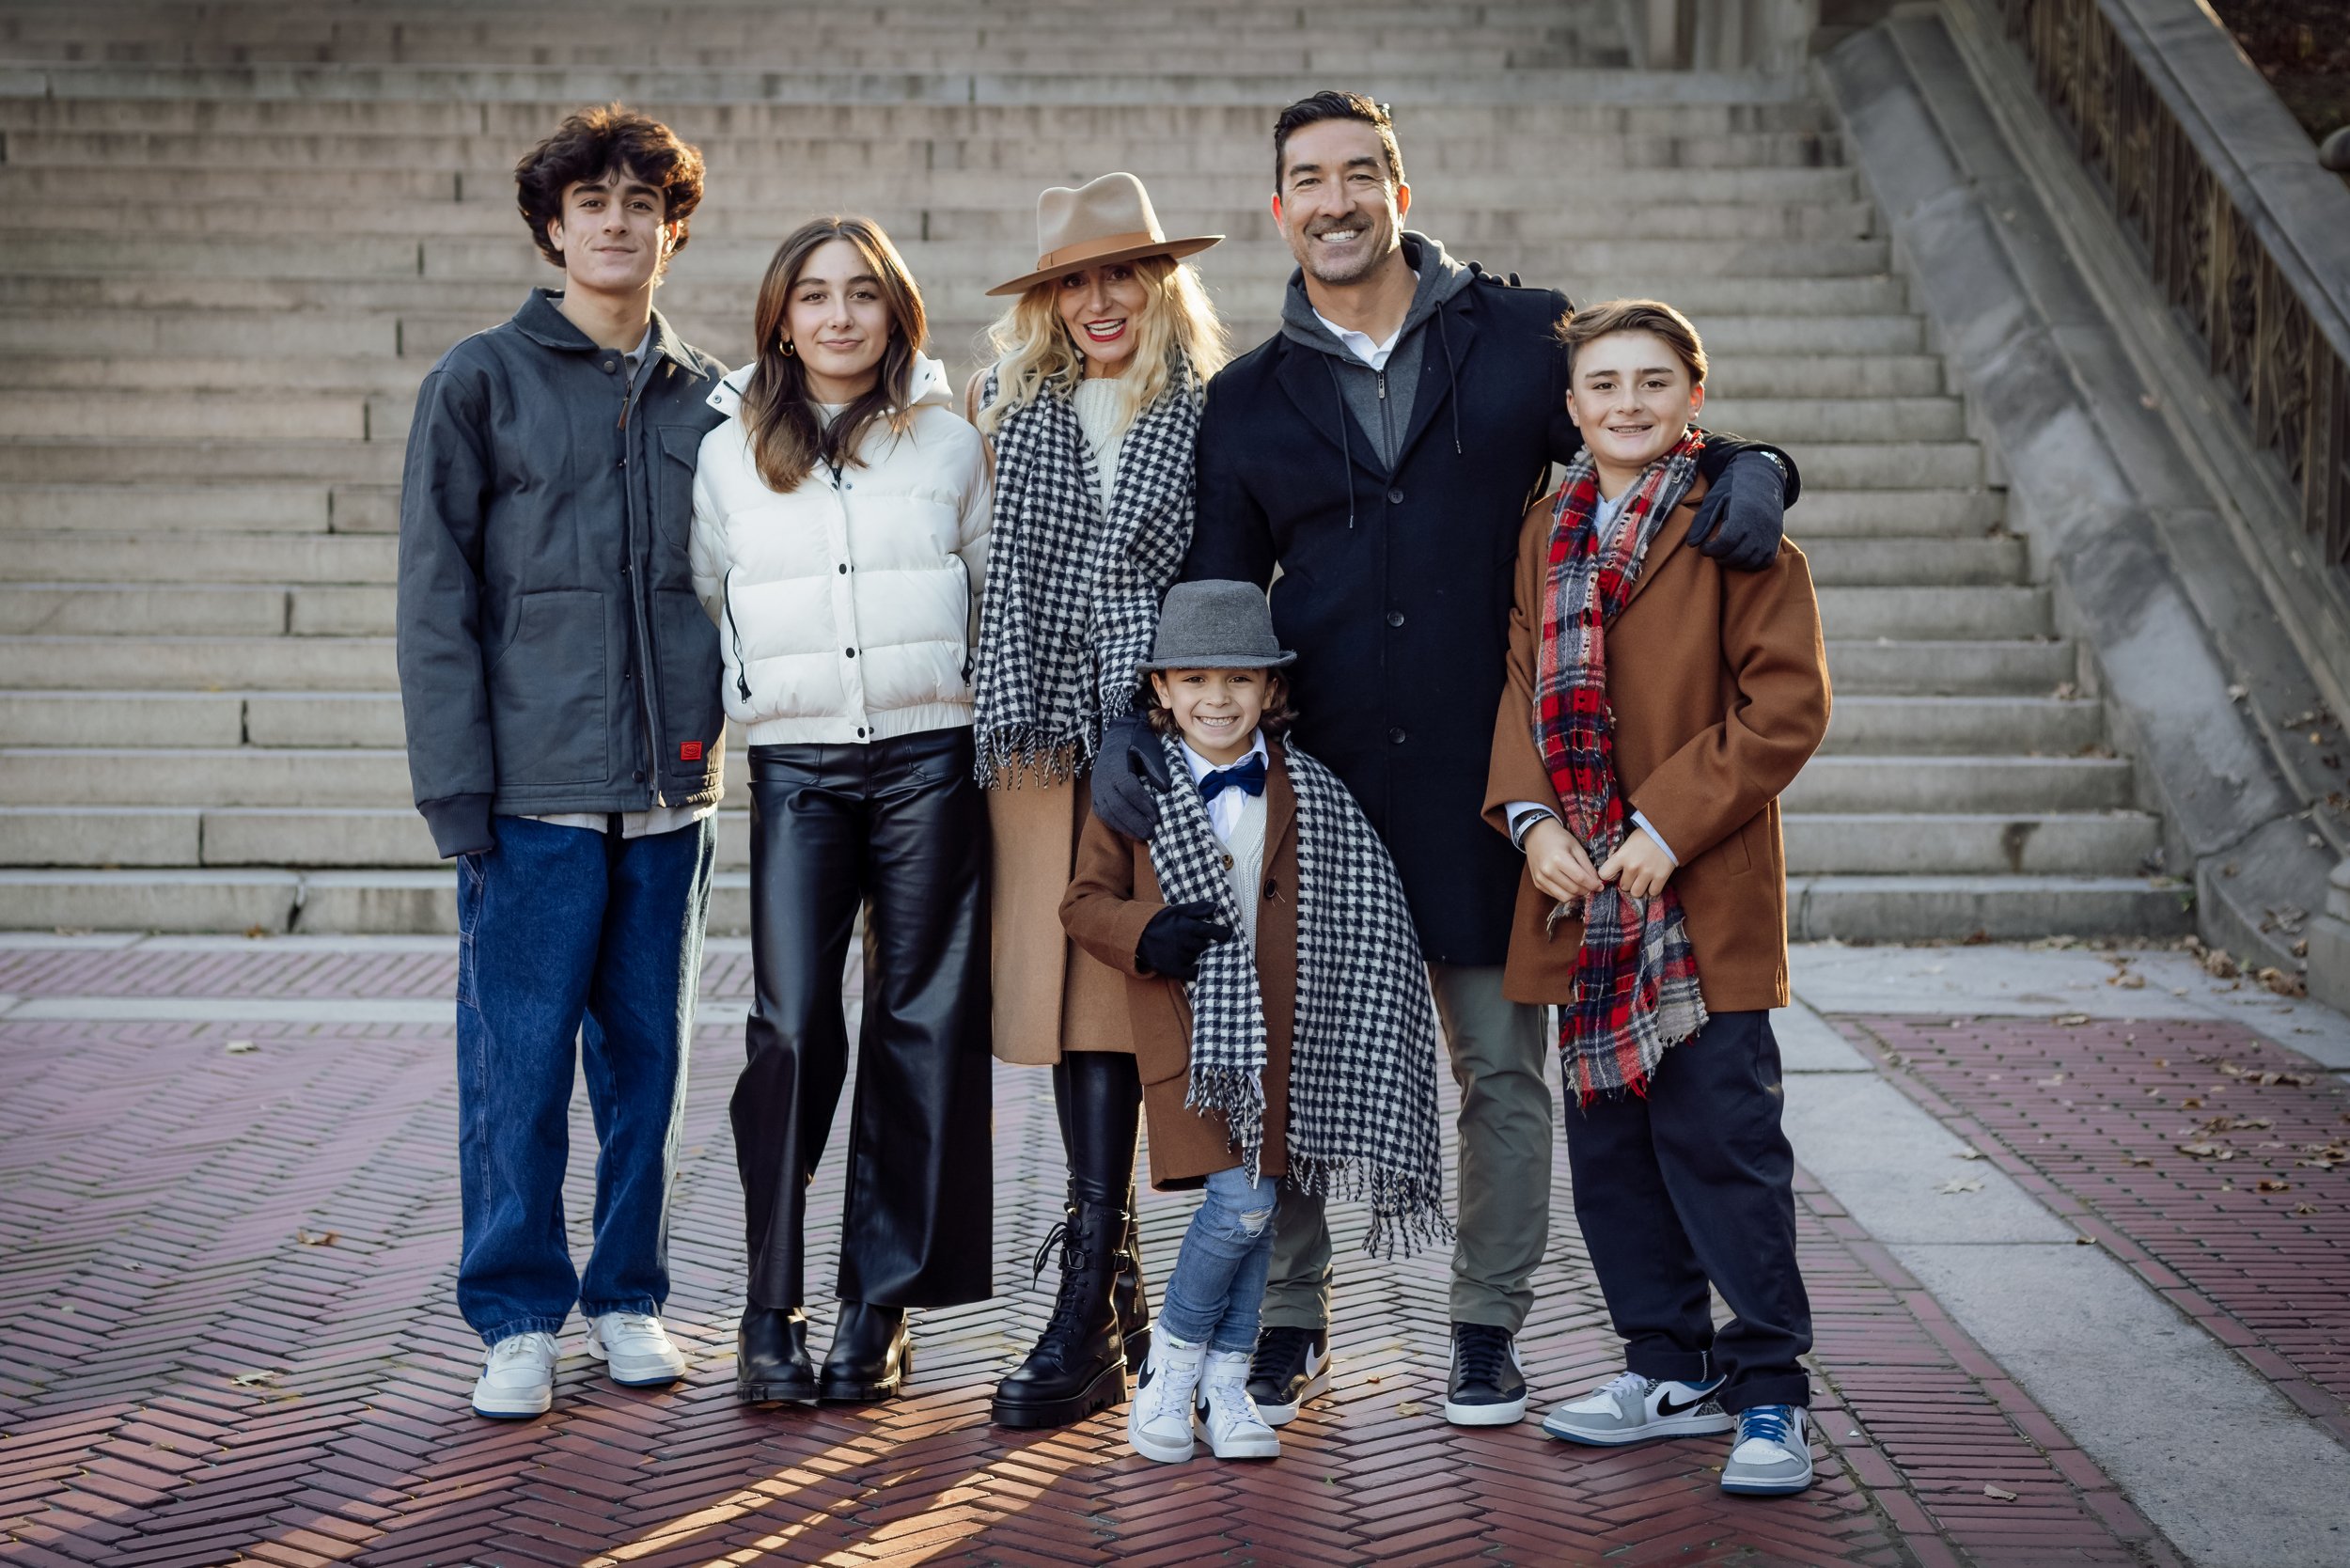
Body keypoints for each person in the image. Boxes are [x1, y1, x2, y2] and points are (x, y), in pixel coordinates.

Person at [1098, 89, 1800, 1430]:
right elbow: (1216, 595)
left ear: (1399, 191)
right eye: (1309, 179)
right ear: (1279, 207)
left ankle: (1488, 1328)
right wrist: (1142, 723)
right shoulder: (1247, 400)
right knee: (1289, 1064)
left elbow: (1640, 417)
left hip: (1498, 783)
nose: (1336, 200)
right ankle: (1287, 1324)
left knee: (1500, 1071)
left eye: (1361, 174)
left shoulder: (1525, 340)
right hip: (1326, 788)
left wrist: (1760, 463)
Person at [396, 106, 728, 1419]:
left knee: (651, 1064)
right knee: (518, 1064)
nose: (615, 219)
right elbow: (436, 602)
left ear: (672, 228)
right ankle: (519, 1314)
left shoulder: (714, 394)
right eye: (590, 199)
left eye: (641, 200)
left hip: (669, 791)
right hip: (528, 792)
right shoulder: (480, 381)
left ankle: (631, 1295)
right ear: (552, 224)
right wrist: (455, 791)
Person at [1484, 300, 1829, 1495]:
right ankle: (1666, 1365)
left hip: (1696, 896)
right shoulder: (1545, 528)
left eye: (1651, 383)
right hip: (1580, 894)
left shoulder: (1740, 528)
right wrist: (1530, 824)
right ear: (1572, 408)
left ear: (1695, 396)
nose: (1626, 404)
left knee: (1724, 1143)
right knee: (1614, 1151)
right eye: (1602, 386)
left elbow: (1785, 708)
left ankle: (1772, 1391)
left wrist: (1663, 826)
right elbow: (1524, 673)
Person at [689, 216, 994, 1405]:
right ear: (780, 314)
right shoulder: (724, 450)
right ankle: (770, 1309)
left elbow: (987, 590)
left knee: (920, 1028)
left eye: (862, 294)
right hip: (798, 769)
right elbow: (706, 599)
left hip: (932, 760)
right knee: (794, 1028)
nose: (838, 317)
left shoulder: (952, 443)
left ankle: (880, 1304)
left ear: (894, 310)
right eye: (813, 296)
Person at [1060, 580, 1449, 1465]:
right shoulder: (1135, 793)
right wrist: (1146, 933)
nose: (1216, 699)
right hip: (1188, 1040)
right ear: (1159, 691)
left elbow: (1360, 912)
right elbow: (1083, 904)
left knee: (1262, 1208)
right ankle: (1173, 1372)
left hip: (1290, 1042)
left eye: (1238, 679)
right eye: (1194, 679)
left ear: (1270, 690)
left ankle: (1227, 1391)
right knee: (1242, 1205)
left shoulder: (1309, 790)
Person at [963, 173, 1230, 1430]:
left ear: (1160, 283)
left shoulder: (1214, 410)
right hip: (1039, 744)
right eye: (1075, 280)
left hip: (1167, 741)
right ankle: (1097, 1276)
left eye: (1122, 273)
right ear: (1050, 300)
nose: (1100, 300)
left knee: (1133, 998)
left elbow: (1235, 571)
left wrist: (1156, 705)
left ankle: (1107, 1287)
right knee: (1073, 1006)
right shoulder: (1009, 410)